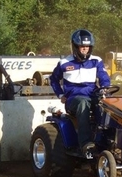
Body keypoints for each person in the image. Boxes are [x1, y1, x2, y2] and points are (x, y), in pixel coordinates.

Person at [49, 29, 111, 158]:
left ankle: (108, 140)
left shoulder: (96, 61)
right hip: (73, 99)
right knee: (83, 103)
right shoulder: (64, 63)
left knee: (110, 104)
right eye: (82, 47)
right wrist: (60, 95)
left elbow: (104, 77)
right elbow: (54, 79)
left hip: (93, 95)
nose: (85, 49)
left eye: (87, 47)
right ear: (75, 47)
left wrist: (105, 88)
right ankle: (85, 144)